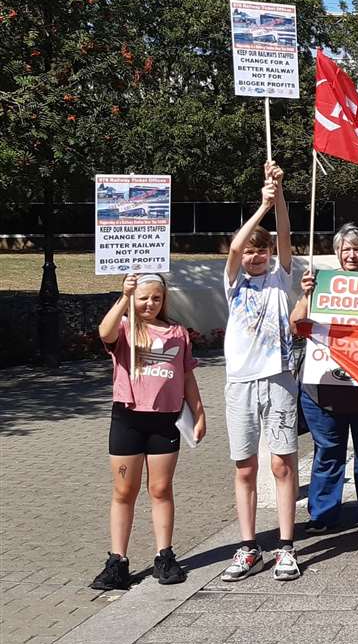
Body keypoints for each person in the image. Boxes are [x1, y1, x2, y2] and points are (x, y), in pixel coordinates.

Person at [91, 273, 206, 591]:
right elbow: (104, 331)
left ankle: (164, 555)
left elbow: (187, 376)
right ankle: (117, 561)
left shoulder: (177, 332)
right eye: (143, 298)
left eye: (156, 298)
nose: (149, 303)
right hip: (128, 419)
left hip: (164, 421)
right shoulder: (126, 328)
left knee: (160, 489)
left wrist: (199, 412)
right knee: (124, 492)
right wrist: (123, 297)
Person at [220, 162, 301, 583]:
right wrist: (260, 207)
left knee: (282, 464)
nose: (254, 256)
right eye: (252, 250)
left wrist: (279, 196)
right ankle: (249, 545)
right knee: (245, 467)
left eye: (261, 250)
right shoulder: (233, 282)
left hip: (279, 379)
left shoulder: (280, 279)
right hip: (240, 383)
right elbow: (234, 250)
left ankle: (286, 547)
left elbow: (285, 235)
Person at [290, 224, 358, 534]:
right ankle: (323, 516)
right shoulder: (320, 284)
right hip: (323, 388)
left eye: (357, 248)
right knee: (328, 454)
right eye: (346, 249)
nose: (352, 254)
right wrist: (305, 295)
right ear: (337, 253)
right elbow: (297, 325)